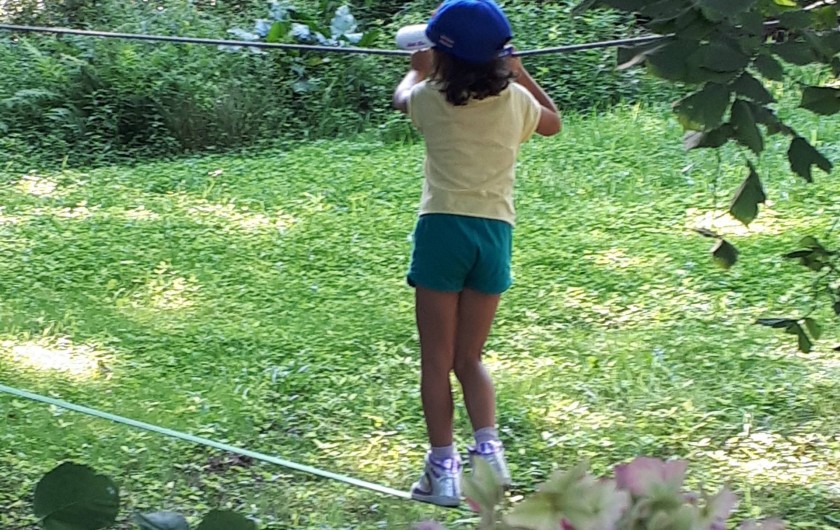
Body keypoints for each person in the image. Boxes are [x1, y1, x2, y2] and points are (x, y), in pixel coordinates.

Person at [391, 0, 562, 508]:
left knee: (435, 359)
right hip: (494, 236)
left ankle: (442, 469)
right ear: (499, 57)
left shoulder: (428, 97)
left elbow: (402, 99)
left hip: (443, 229)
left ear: (441, 57)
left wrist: (414, 70)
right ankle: (489, 454)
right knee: (470, 358)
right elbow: (553, 123)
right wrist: (523, 73)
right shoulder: (517, 103)